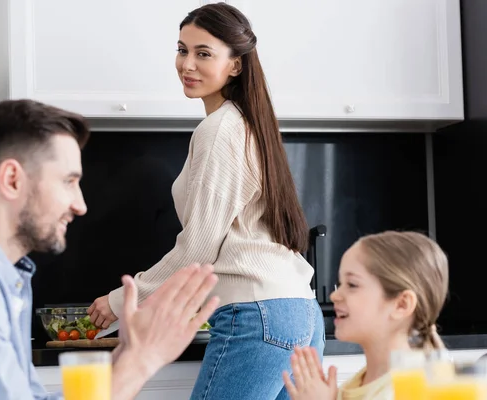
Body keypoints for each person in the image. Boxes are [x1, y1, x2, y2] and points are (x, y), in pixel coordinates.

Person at [87, 2, 325, 398]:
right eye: (182, 50)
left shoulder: (220, 130)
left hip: (257, 314)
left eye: (203, 53)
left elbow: (198, 247)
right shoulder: (250, 126)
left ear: (235, 65)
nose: (187, 64)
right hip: (300, 312)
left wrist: (122, 299)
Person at [0, 99, 219, 400]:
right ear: (12, 179)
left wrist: (128, 355)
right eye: (68, 181)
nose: (80, 205)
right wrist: (142, 361)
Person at [282, 231, 449, 400]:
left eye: (352, 284)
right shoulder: (358, 384)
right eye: (340, 284)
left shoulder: (413, 388)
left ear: (401, 304)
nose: (335, 295)